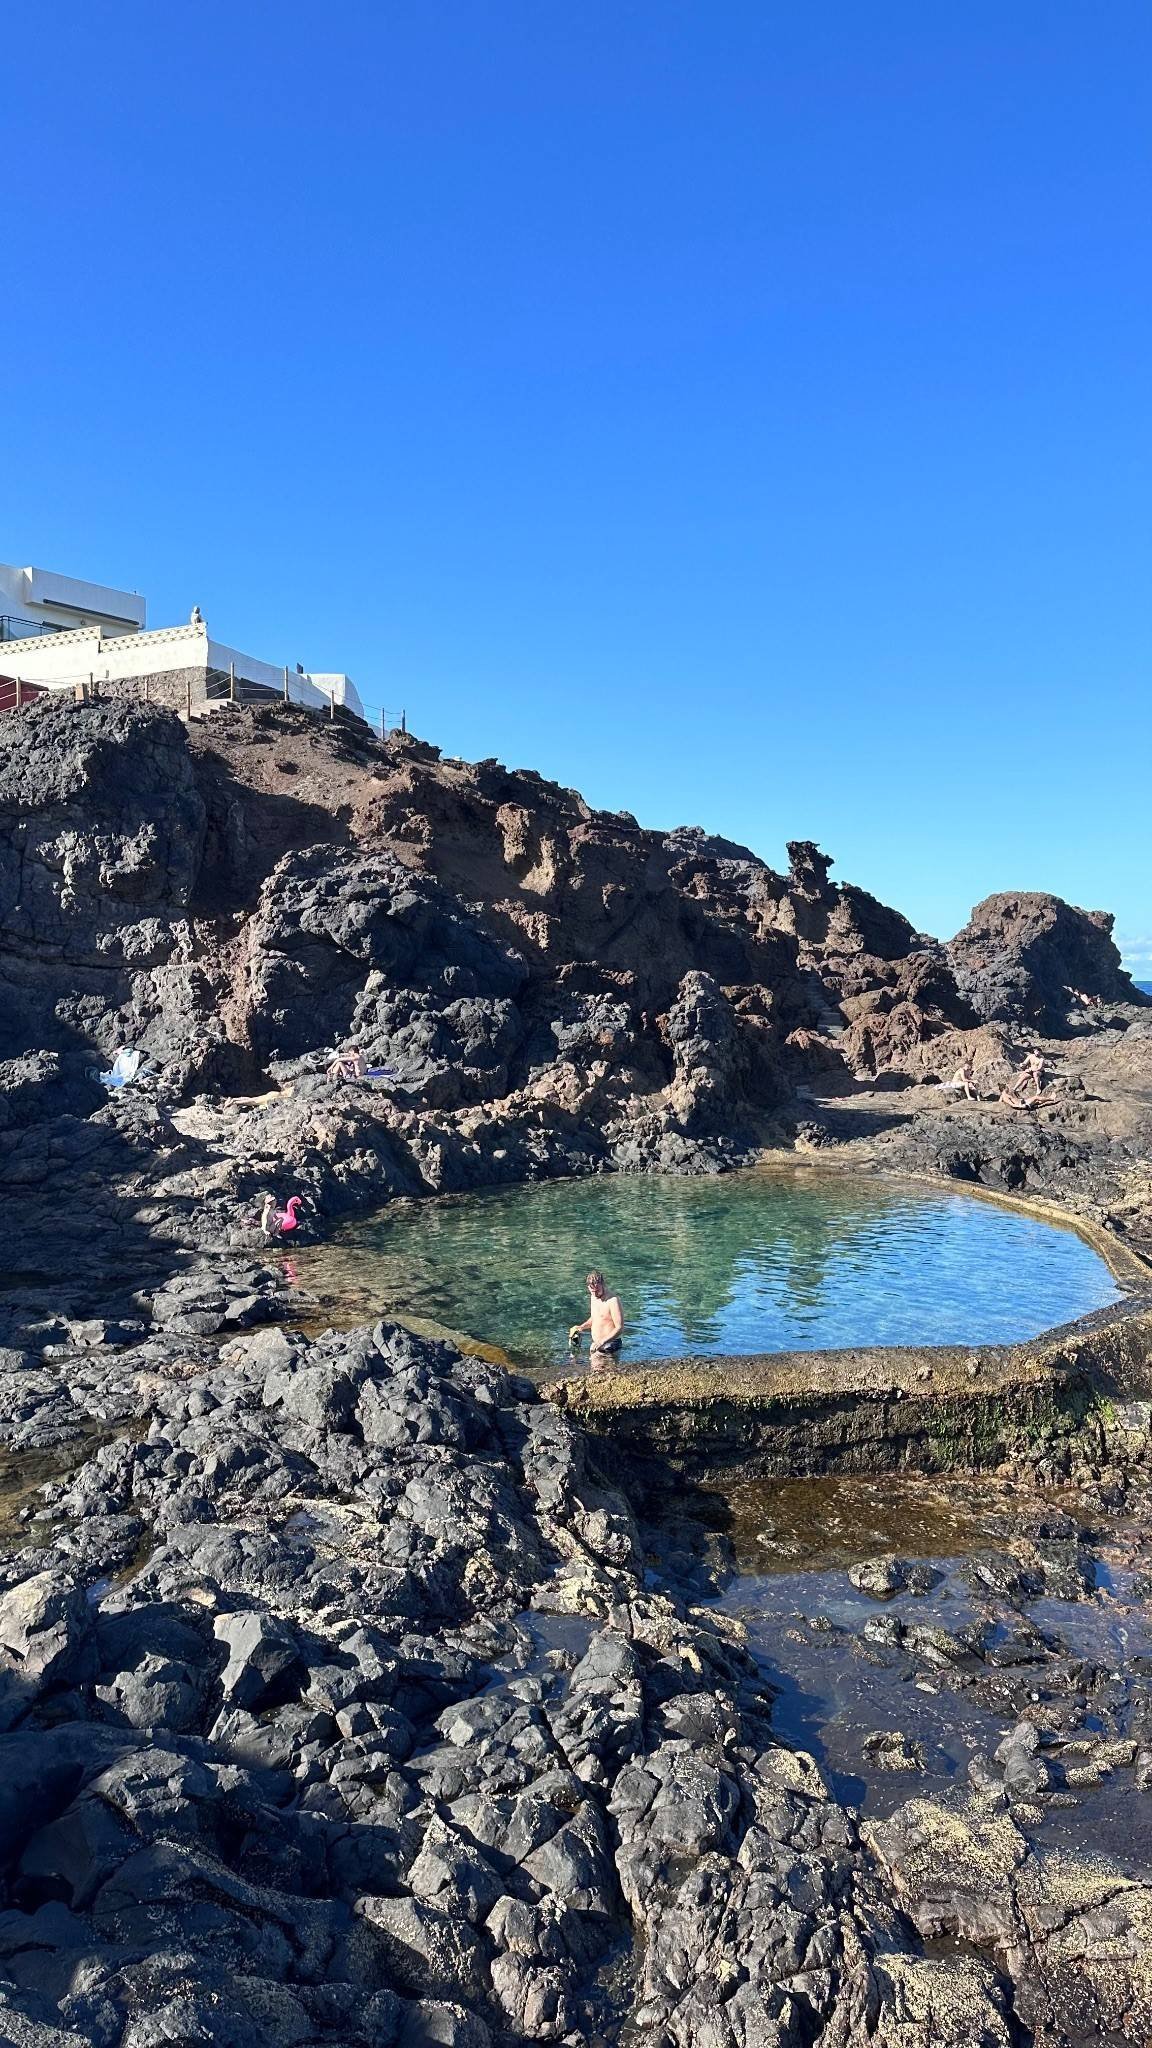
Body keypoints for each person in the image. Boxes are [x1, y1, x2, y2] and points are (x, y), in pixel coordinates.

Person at [569, 1271, 624, 1362]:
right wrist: (581, 1327)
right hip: (597, 1344)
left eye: (597, 1290)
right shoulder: (593, 1297)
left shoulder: (613, 1300)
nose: (595, 1294)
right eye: (592, 1291)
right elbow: (594, 1318)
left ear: (603, 1284)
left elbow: (619, 1328)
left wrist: (601, 1342)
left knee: (598, 1369)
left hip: (611, 1344)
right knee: (591, 1367)